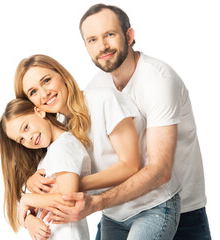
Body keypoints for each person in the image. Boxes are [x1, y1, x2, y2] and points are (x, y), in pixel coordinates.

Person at [45, 3, 211, 240]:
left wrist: (94, 200)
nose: (102, 46)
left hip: (181, 209)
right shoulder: (96, 89)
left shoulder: (159, 81)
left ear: (129, 35)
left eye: (109, 35)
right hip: (119, 210)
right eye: (92, 40)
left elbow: (160, 170)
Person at [14, 54, 181, 239]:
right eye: (33, 92)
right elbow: (49, 191)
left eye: (46, 81)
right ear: (32, 106)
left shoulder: (103, 100)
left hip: (152, 205)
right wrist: (30, 203)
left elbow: (130, 165)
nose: (44, 94)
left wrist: (75, 184)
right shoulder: (58, 133)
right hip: (113, 214)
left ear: (61, 74)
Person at [0, 98, 92, 240]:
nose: (27, 138)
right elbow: (41, 203)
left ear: (40, 111)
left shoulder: (64, 146)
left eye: (25, 128)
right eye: (21, 140)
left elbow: (69, 201)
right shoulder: (49, 155)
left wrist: (26, 199)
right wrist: (30, 220)